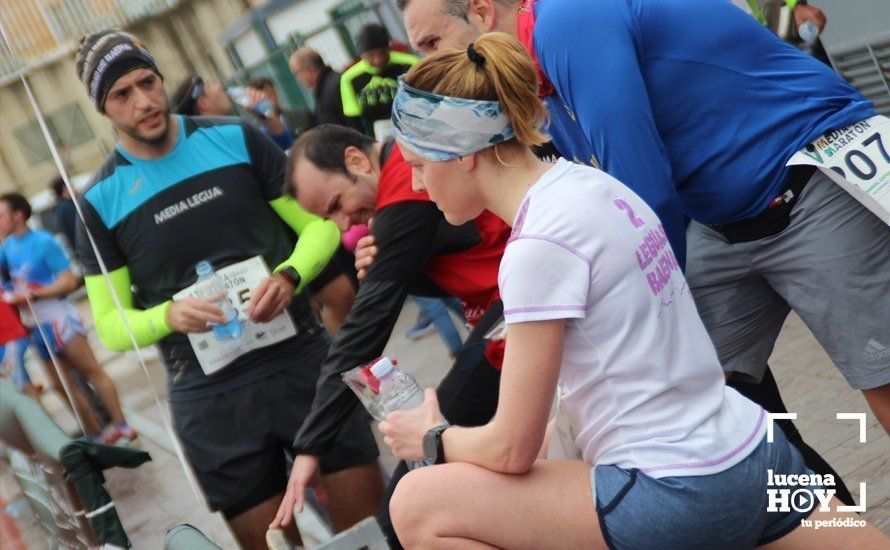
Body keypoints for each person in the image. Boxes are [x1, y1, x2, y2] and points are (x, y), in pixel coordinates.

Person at [378, 34, 890, 549]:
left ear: (464, 155)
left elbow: (512, 447)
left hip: (676, 492)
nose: (417, 188)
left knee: (416, 502)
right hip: (751, 449)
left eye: (419, 165)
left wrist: (431, 438)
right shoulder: (589, 184)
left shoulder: (536, 247)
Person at [72, 30, 383, 548]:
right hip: (211, 401)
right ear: (102, 108)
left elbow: (320, 227)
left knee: (367, 534)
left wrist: (289, 276)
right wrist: (169, 316)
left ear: (162, 78)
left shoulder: (235, 138)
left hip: (300, 363)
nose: (144, 101)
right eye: (121, 94)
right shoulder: (99, 201)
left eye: (147, 82)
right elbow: (111, 325)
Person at [268, 124, 510, 543]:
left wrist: (310, 445)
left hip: (516, 314)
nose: (345, 226)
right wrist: (404, 268)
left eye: (338, 204)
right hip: (507, 311)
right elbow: (466, 250)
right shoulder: (399, 190)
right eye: (331, 219)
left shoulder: (401, 183)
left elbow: (363, 330)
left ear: (358, 160)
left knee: (414, 484)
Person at [171, 74, 357, 335]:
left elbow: (290, 156)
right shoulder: (214, 143)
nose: (221, 86)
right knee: (321, 303)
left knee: (342, 294)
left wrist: (267, 117)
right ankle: (341, 362)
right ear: (202, 102)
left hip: (298, 226)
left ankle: (351, 360)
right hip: (272, 239)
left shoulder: (242, 130)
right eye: (213, 85)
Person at [0, 193, 136, 444]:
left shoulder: (44, 242)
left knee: (91, 371)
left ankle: (122, 425)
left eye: (1, 215)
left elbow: (69, 279)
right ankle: (96, 433)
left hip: (58, 318)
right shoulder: (6, 248)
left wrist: (34, 294)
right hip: (35, 325)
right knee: (61, 386)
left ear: (18, 214)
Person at [340, 24, 419, 140]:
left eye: (381, 53)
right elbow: (353, 117)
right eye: (370, 55)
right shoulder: (350, 78)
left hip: (414, 126)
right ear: (362, 55)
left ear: (388, 48)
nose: (377, 60)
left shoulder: (410, 64)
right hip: (379, 135)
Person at [289, 47, 349, 127]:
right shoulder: (330, 85)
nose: (298, 79)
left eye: (296, 73)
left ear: (309, 69)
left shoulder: (331, 88)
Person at [50, 176, 78, 251]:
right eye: (72, 185)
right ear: (65, 188)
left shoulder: (60, 208)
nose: (75, 188)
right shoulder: (67, 208)